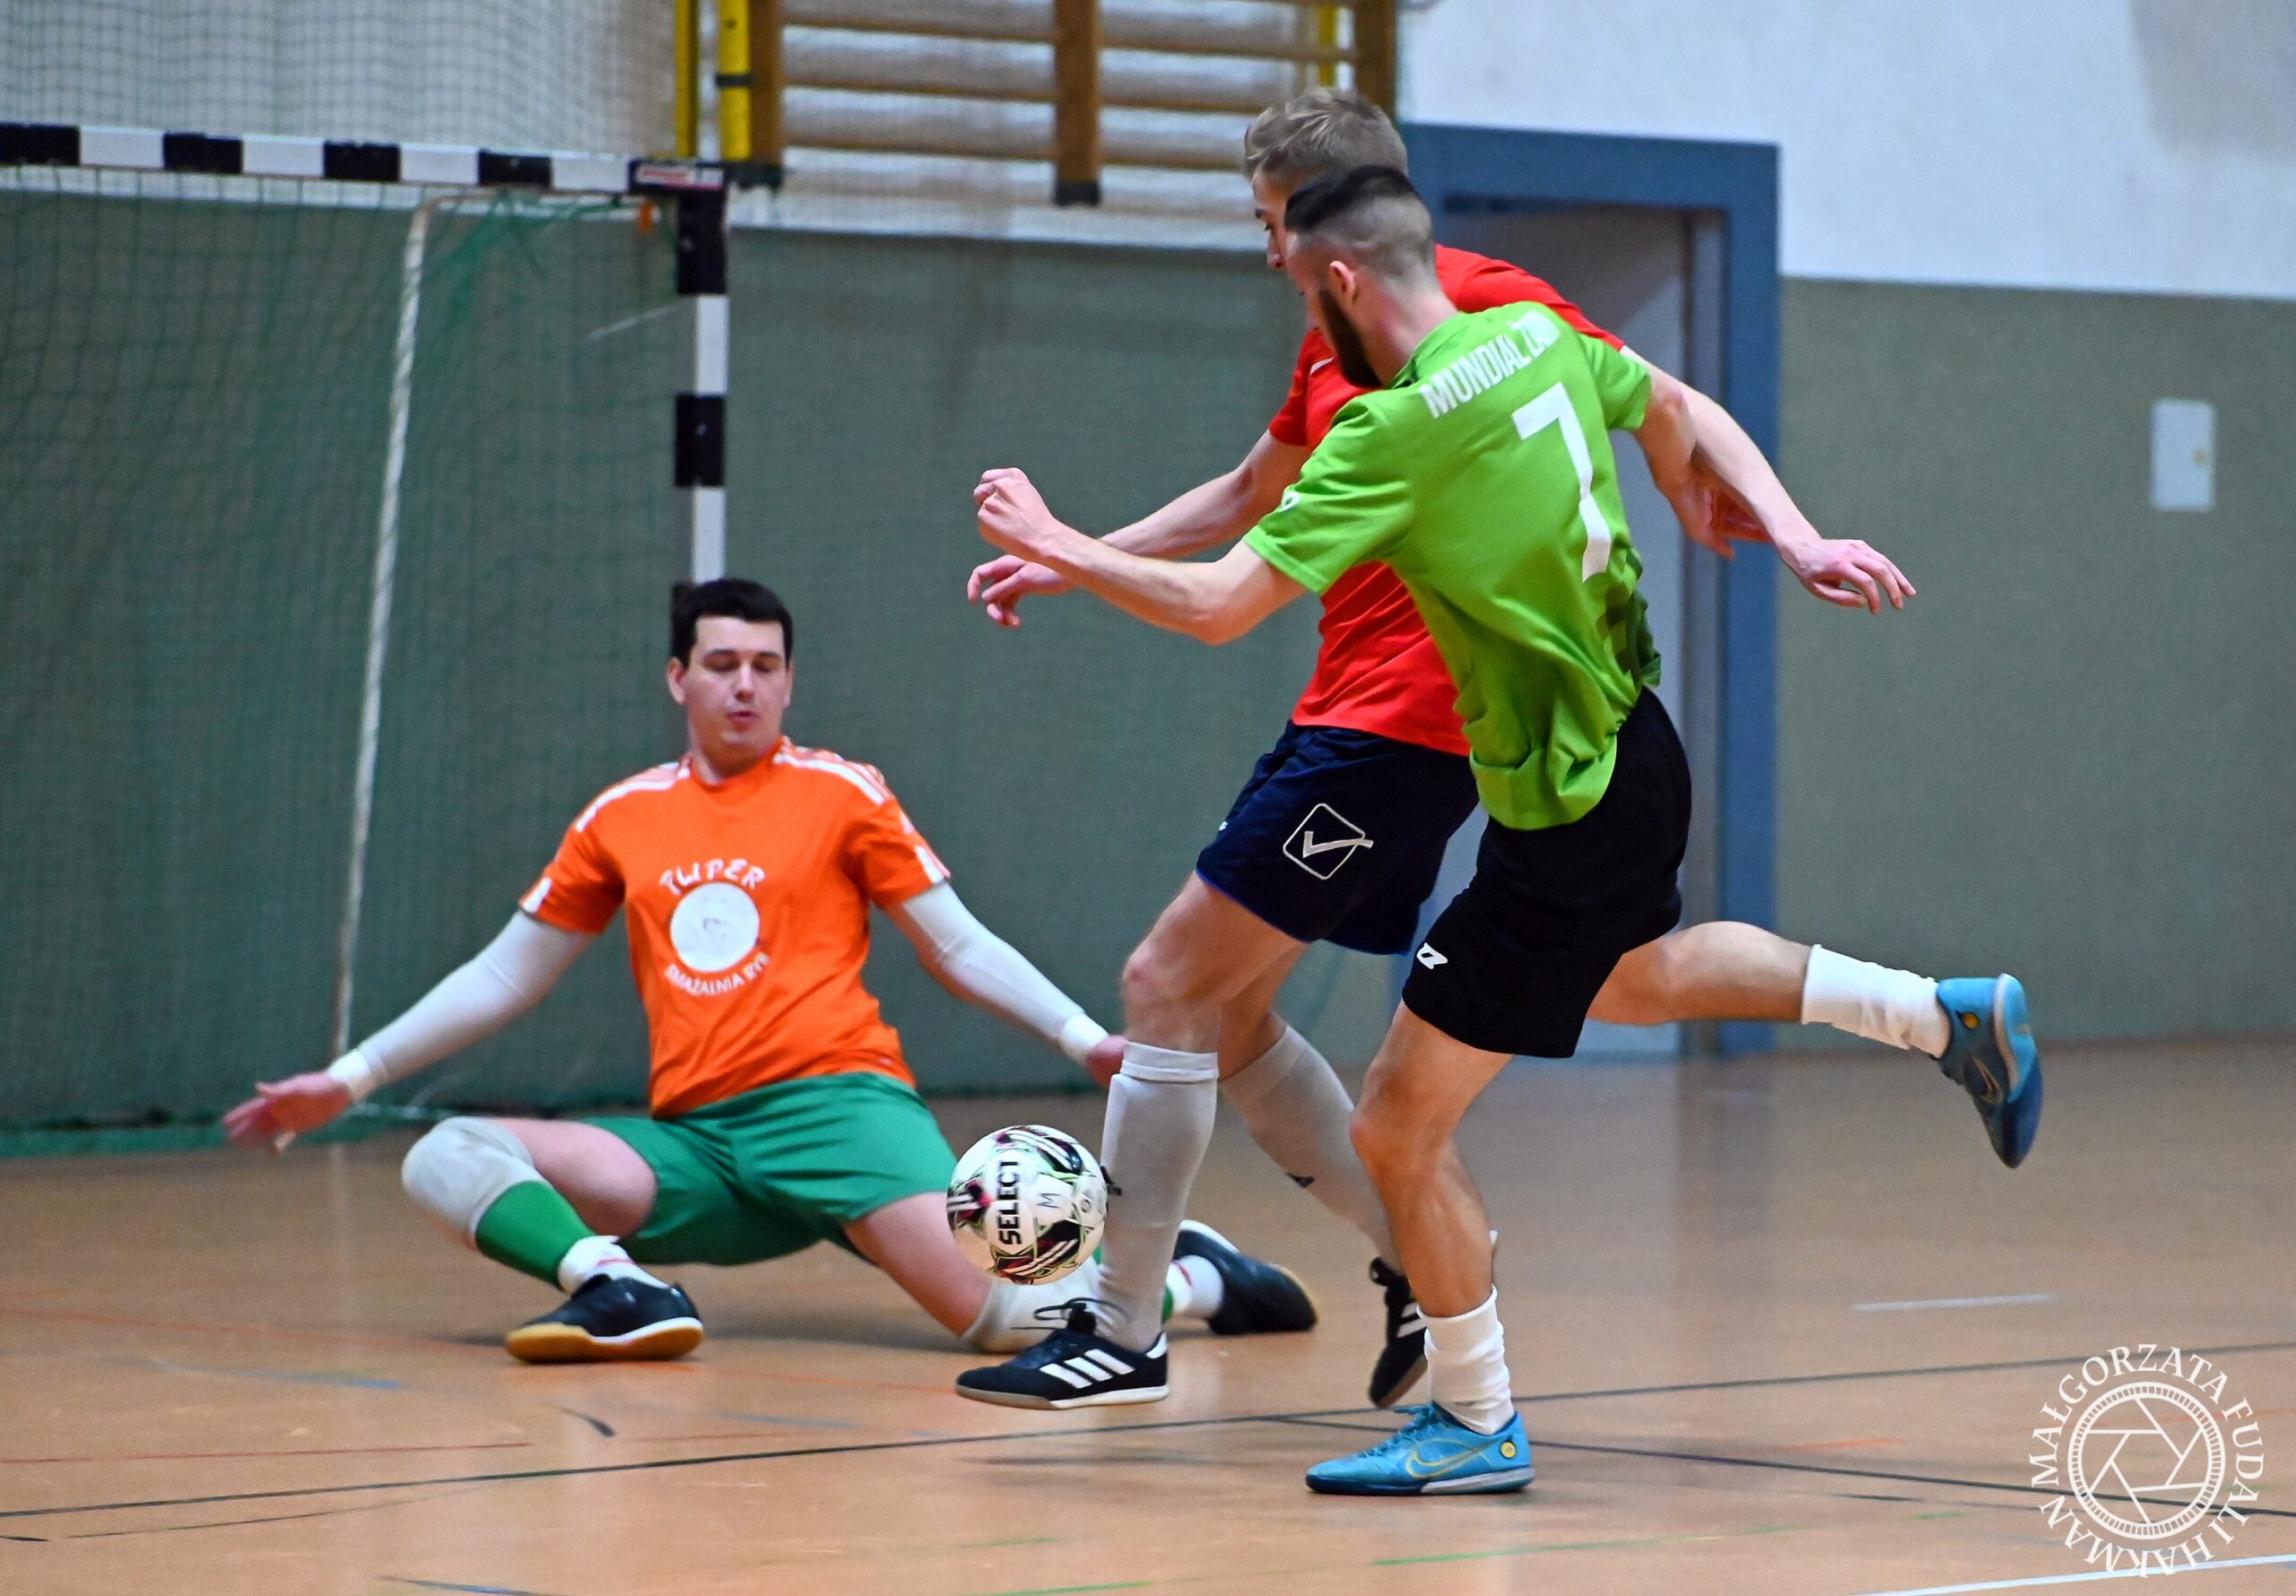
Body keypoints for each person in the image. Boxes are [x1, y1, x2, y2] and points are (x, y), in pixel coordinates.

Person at [964, 167, 2041, 1488]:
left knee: (1394, 1125)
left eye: (1296, 281)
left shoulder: (1390, 430)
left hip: (1566, 806)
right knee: (1635, 978)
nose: (1295, 309)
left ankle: (1474, 1417)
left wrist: (1059, 542)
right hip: (1636, 747)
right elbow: (1670, 408)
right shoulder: (1534, 334)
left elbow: (1218, 607)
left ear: (1343, 281)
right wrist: (1760, 518)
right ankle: (1940, 1014)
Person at [225, 578, 1312, 1368]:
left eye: (765, 666)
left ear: (789, 681)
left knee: (1003, 1321)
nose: (744, 686)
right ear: (678, 678)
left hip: (838, 1110)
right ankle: (617, 1288)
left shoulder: (841, 792)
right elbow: (507, 975)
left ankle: (1192, 1274)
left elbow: (956, 942)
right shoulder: (620, 816)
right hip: (698, 1145)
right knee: (448, 1153)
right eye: (721, 665)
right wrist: (348, 1079)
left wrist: (1082, 1038)